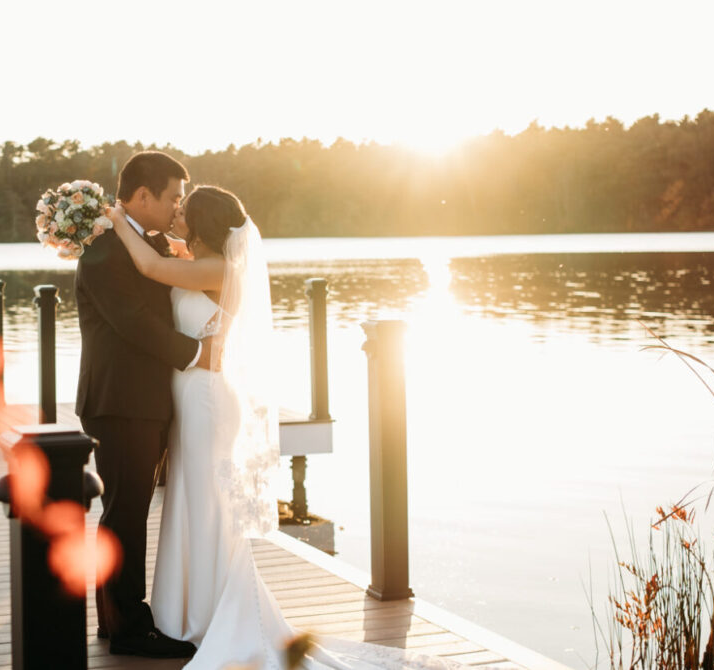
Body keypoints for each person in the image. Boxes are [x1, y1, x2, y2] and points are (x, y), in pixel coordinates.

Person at [107, 186, 466, 669]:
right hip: (192, 401)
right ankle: (184, 616)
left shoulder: (218, 270)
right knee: (191, 501)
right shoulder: (198, 261)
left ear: (203, 224)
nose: (177, 213)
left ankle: (210, 614)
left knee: (208, 503)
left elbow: (151, 268)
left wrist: (113, 218)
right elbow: (163, 259)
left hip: (210, 403)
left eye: (184, 210)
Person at [74, 151, 213, 659]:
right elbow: (133, 322)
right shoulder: (104, 251)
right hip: (121, 401)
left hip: (143, 400)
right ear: (141, 197)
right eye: (173, 196)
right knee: (126, 512)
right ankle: (130, 627)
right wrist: (199, 353)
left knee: (125, 511)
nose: (178, 205)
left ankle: (115, 619)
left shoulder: (144, 244)